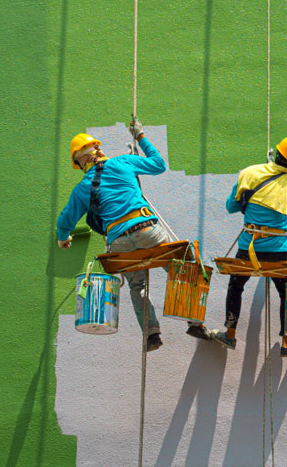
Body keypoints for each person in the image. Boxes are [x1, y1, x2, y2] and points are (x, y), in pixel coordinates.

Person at [56, 117, 200, 351]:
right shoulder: (123, 162)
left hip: (119, 242)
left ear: (79, 163)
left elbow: (64, 221)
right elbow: (158, 164)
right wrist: (140, 136)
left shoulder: (82, 188)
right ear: (99, 149)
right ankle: (194, 322)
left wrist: (63, 239)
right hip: (146, 229)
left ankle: (151, 334)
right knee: (180, 268)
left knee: (137, 286)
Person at [210, 135, 287, 358]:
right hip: (278, 249)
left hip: (249, 246)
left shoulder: (249, 173)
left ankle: (230, 333)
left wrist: (264, 170)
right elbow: (285, 188)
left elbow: (231, 207)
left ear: (277, 153)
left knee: (236, 285)